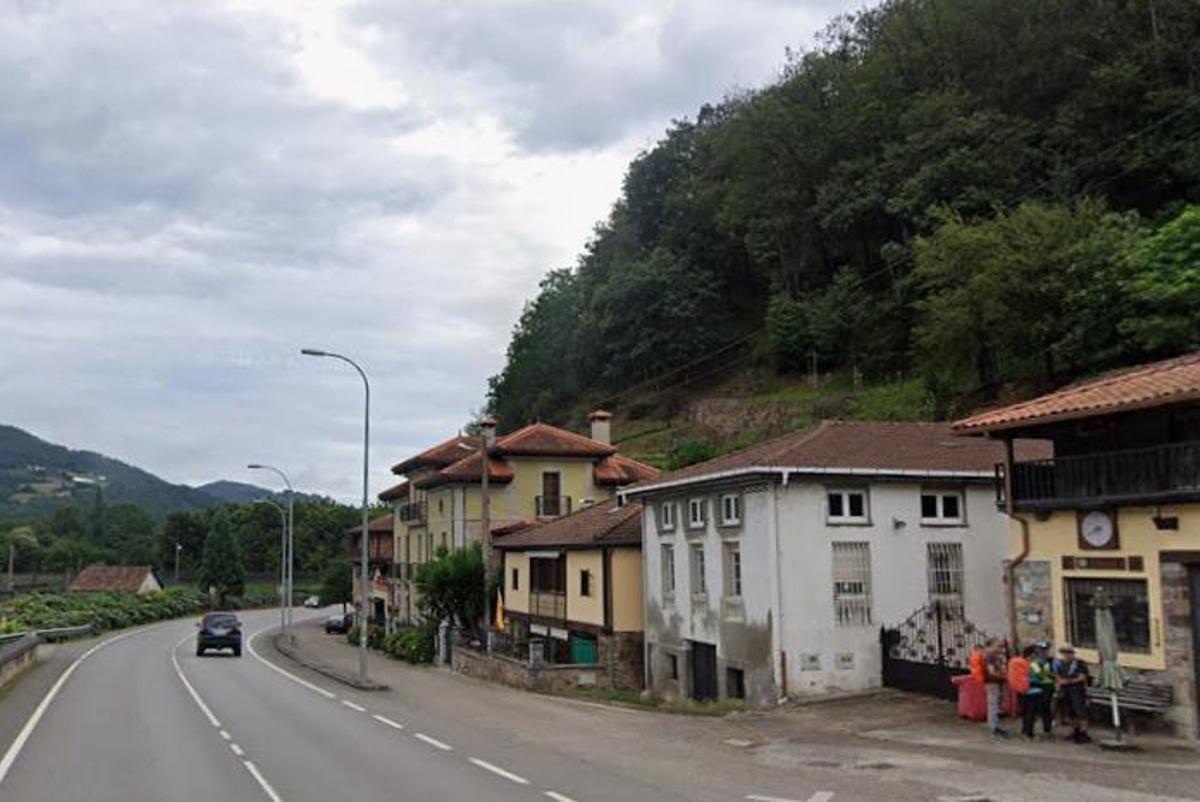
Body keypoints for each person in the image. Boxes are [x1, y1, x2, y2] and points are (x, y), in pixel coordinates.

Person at [1053, 644, 1092, 743]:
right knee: (1070, 713)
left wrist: (1069, 681)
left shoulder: (1080, 663)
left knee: (1081, 712)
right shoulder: (1060, 664)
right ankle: (1076, 731)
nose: (1066, 655)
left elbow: (1082, 677)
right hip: (1066, 691)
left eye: (1068, 653)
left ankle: (1083, 732)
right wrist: (1060, 682)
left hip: (1078, 691)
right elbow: (1057, 676)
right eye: (1064, 653)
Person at [1008, 645, 1039, 740]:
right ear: (1031, 655)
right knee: (1030, 712)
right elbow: (1035, 677)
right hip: (1030, 691)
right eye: (1035, 654)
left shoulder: (1014, 662)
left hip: (1019, 690)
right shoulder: (1028, 664)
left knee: (1024, 712)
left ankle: (1025, 731)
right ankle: (1028, 733)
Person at [1029, 641, 1056, 738]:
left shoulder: (1050, 661)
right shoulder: (1034, 662)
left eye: (1045, 650)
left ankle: (1047, 729)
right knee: (1037, 708)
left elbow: (1053, 674)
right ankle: (1037, 729)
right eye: (1041, 650)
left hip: (1048, 686)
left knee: (1046, 708)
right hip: (1037, 685)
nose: (1043, 652)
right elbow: (1036, 673)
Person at [983, 637, 1008, 737]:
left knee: (996, 705)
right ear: (992, 645)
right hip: (992, 682)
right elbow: (991, 671)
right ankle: (993, 728)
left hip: (997, 682)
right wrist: (1004, 675)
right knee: (993, 705)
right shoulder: (990, 656)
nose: (1001, 648)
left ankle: (996, 726)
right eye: (998, 645)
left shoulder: (996, 655)